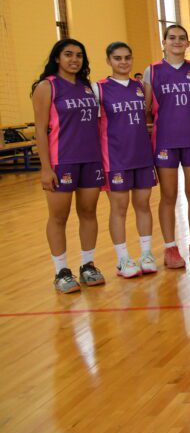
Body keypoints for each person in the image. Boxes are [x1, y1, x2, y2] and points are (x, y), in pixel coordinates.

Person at [32, 39, 105, 293]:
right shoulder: (47, 87)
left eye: (79, 55)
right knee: (59, 217)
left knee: (88, 213)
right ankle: (61, 271)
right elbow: (40, 131)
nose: (74, 59)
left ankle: (87, 266)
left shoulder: (88, 88)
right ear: (57, 58)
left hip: (91, 159)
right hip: (62, 161)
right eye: (68, 54)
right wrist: (45, 168)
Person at [145, 25, 190, 269]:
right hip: (165, 142)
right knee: (168, 196)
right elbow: (146, 111)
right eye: (172, 38)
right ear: (164, 42)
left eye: (182, 38)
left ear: (188, 42)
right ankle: (170, 248)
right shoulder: (152, 71)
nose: (177, 42)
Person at [96, 42, 156, 279]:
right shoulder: (99, 88)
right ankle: (122, 259)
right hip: (115, 158)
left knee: (143, 205)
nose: (123, 62)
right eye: (118, 58)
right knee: (119, 209)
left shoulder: (142, 87)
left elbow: (147, 119)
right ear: (109, 61)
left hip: (142, 155)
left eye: (127, 58)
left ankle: (146, 254)